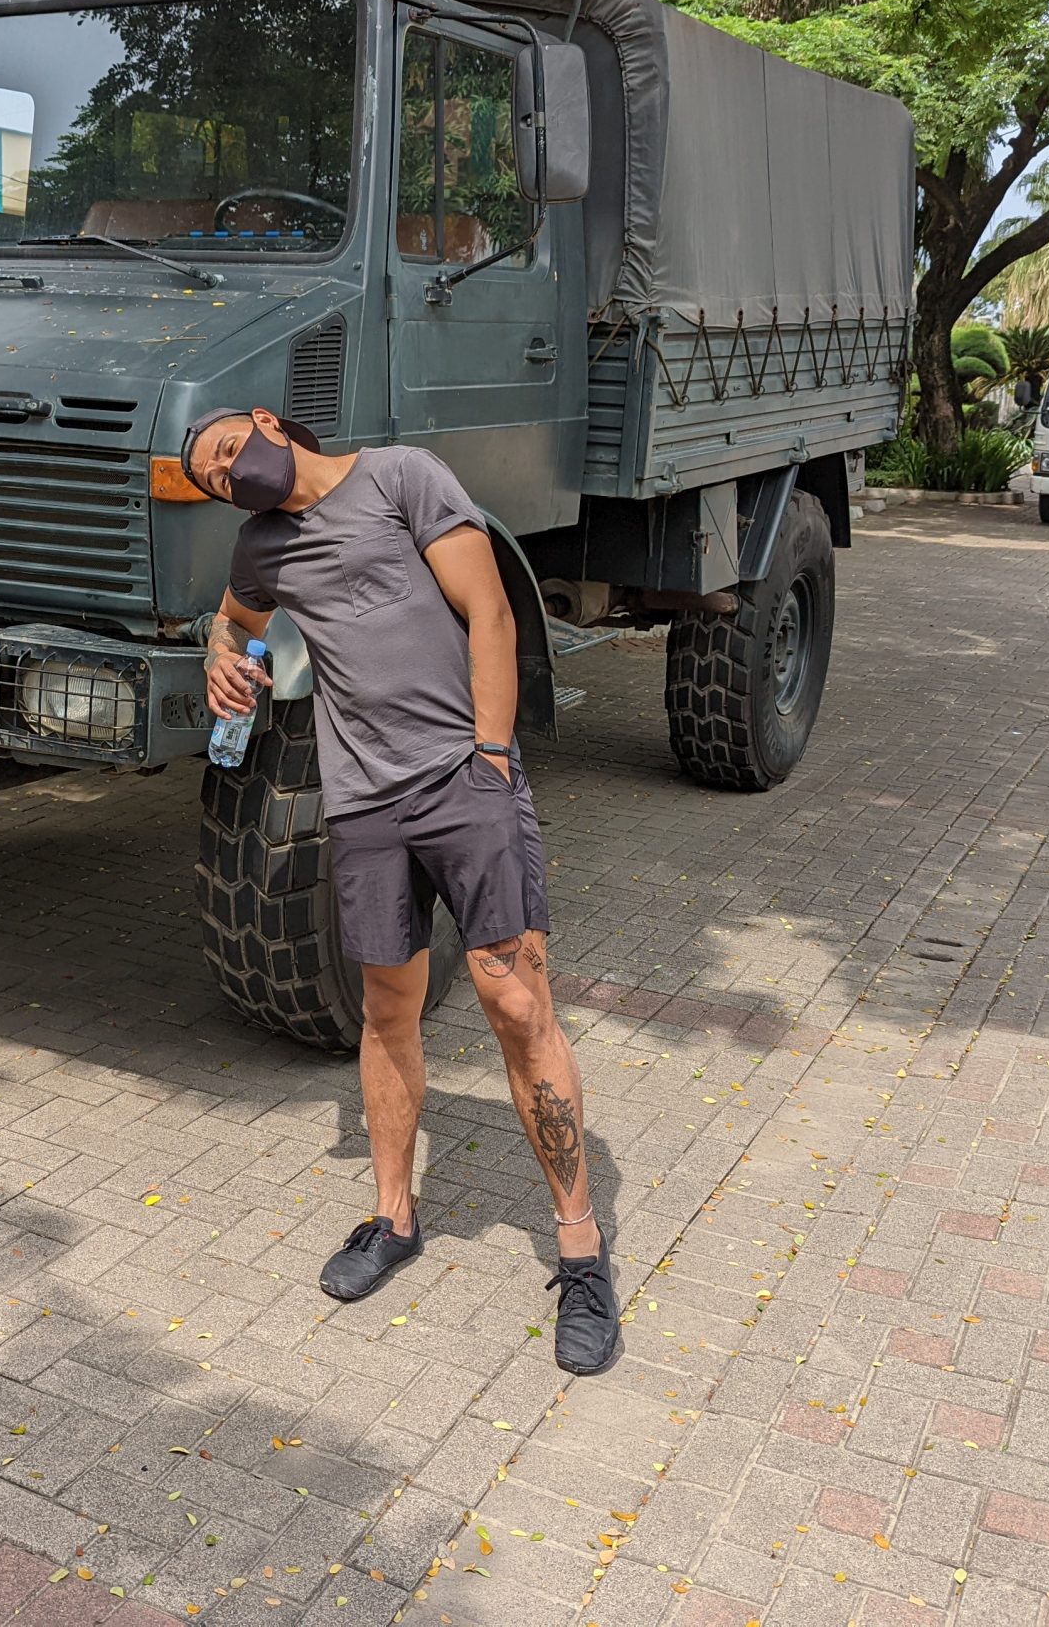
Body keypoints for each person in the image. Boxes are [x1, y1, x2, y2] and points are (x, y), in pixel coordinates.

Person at [183, 406, 620, 1377]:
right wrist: (227, 658)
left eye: (224, 452)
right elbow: (235, 617)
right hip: (365, 809)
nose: (225, 476)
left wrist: (493, 756)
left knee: (516, 1002)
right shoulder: (262, 546)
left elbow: (490, 609)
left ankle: (582, 1249)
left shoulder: (397, 476)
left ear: (265, 422)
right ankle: (392, 1216)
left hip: (465, 783)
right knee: (386, 1009)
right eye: (212, 480)